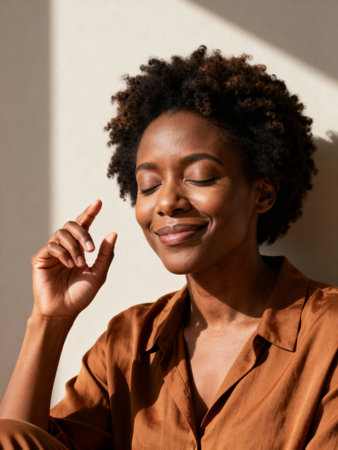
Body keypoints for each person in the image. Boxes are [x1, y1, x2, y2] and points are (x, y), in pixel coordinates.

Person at [0, 46, 337, 449]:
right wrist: (49, 320)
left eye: (199, 177)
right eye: (149, 185)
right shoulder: (127, 343)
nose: (166, 202)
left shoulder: (328, 334)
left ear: (262, 194)